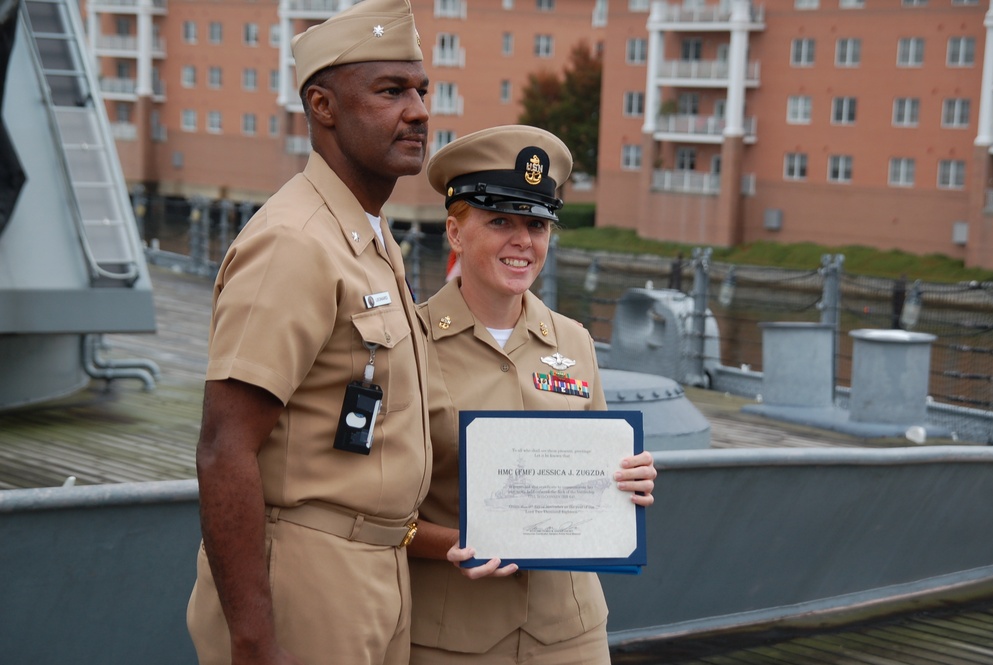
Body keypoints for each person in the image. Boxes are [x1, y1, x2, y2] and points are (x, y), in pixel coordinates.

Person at [185, 1, 432, 663]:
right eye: (390, 91)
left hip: (377, 568)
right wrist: (255, 638)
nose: (418, 110)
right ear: (322, 105)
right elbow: (223, 447)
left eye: (421, 90)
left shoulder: (367, 237)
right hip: (307, 574)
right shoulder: (295, 244)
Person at [407, 125, 657, 664]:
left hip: (568, 633)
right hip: (453, 635)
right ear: (455, 232)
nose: (523, 241)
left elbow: (600, 473)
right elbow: (376, 505)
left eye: (537, 224)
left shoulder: (575, 341)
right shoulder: (411, 344)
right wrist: (446, 544)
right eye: (500, 221)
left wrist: (628, 483)